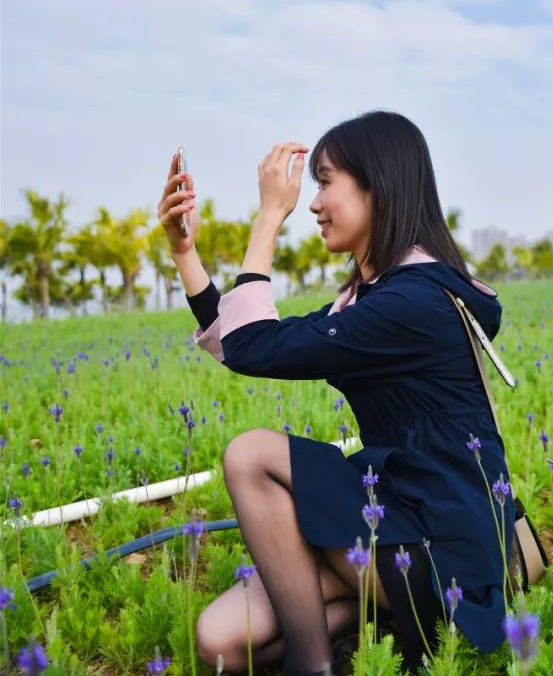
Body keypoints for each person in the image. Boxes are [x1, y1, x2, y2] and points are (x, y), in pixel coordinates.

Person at [156, 111, 514, 676]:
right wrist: (185, 254)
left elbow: (254, 345)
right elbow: (249, 342)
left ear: (380, 188)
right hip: (395, 527)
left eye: (325, 183)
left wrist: (269, 216)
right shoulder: (378, 300)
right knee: (221, 640)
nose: (314, 203)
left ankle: (312, 664)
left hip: (442, 559)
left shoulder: (410, 307)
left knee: (251, 454)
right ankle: (367, 616)